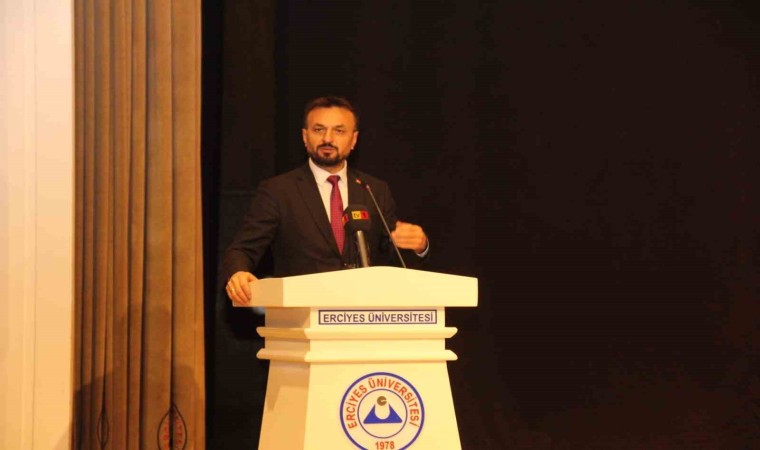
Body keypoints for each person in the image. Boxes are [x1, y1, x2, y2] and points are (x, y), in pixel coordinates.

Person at [223, 96, 429, 305]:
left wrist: (418, 246)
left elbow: (395, 259)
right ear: (305, 137)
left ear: (354, 140)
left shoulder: (374, 189)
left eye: (339, 131)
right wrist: (238, 272)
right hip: (302, 311)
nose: (327, 138)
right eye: (319, 129)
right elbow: (242, 249)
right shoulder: (279, 190)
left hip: (364, 309)